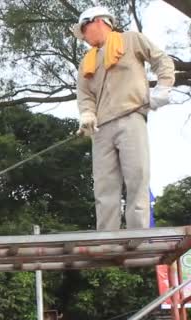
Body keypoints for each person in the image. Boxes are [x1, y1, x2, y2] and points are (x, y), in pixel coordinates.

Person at [72, 6, 175, 230]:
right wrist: (87, 114)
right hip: (101, 128)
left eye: (84, 28)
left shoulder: (131, 40)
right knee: (104, 186)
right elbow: (85, 94)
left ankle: (138, 234)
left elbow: (161, 60)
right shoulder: (86, 62)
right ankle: (107, 238)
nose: (84, 35)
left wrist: (163, 87)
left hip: (131, 117)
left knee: (137, 179)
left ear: (99, 21)